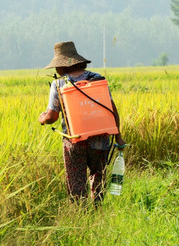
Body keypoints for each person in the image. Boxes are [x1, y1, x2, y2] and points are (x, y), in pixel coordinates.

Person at [38, 41, 126, 204]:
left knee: (76, 180)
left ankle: (81, 212)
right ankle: (97, 209)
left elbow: (52, 117)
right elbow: (112, 110)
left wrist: (42, 118)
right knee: (98, 175)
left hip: (75, 141)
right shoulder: (97, 79)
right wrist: (118, 137)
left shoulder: (59, 84)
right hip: (100, 139)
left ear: (62, 67)